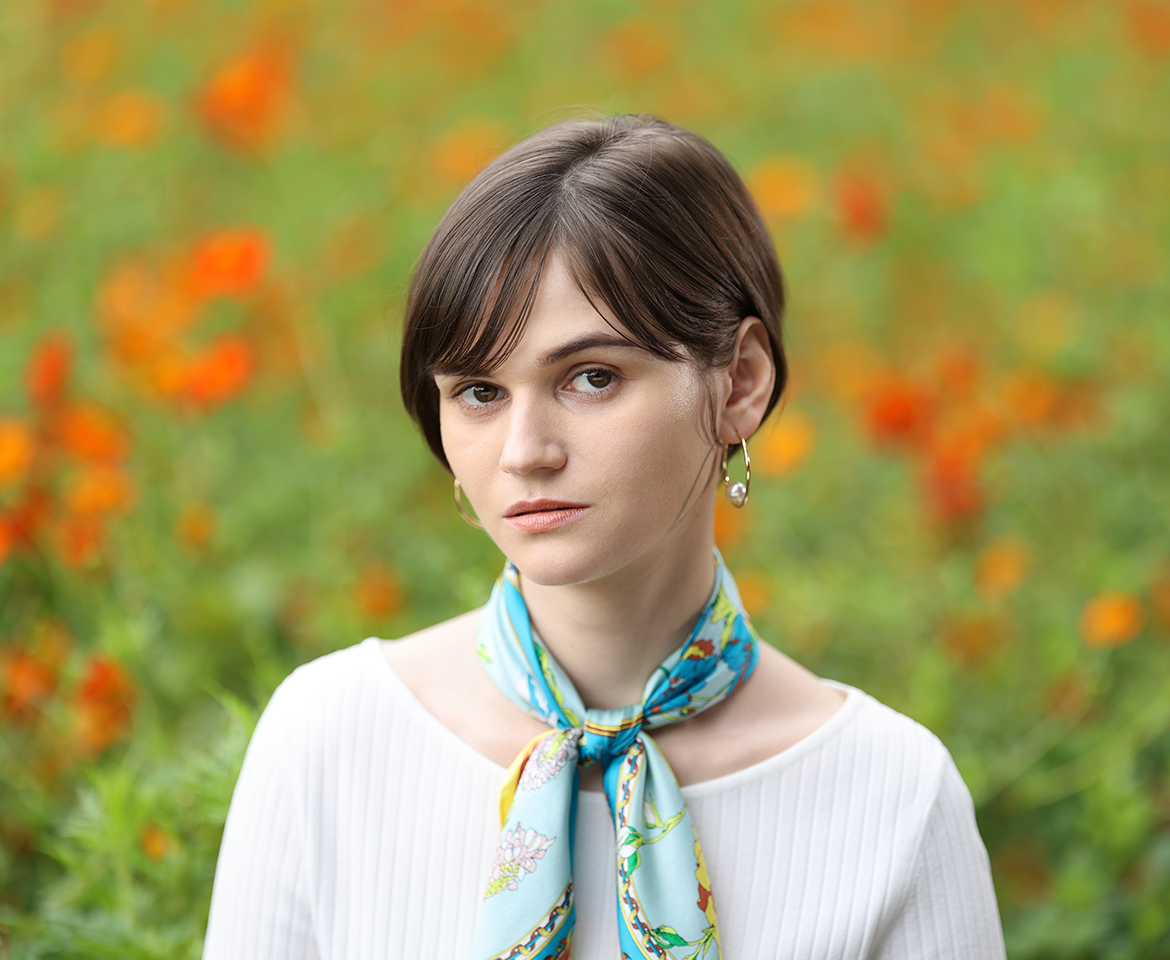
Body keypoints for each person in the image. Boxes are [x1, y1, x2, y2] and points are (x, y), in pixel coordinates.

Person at [202, 113, 1006, 960]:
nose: (524, 453)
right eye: (479, 392)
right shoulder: (329, 738)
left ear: (740, 382)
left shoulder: (892, 797)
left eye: (590, 378)